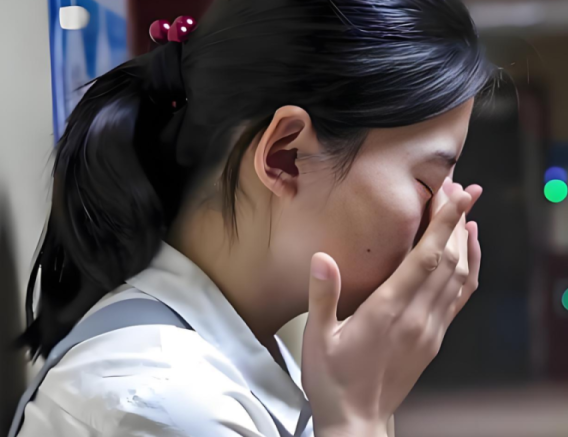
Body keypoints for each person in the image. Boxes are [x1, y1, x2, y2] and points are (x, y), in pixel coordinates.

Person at [11, 0, 494, 436]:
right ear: (286, 156)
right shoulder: (165, 404)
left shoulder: (268, 352)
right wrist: (357, 419)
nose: (448, 211)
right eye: (428, 182)